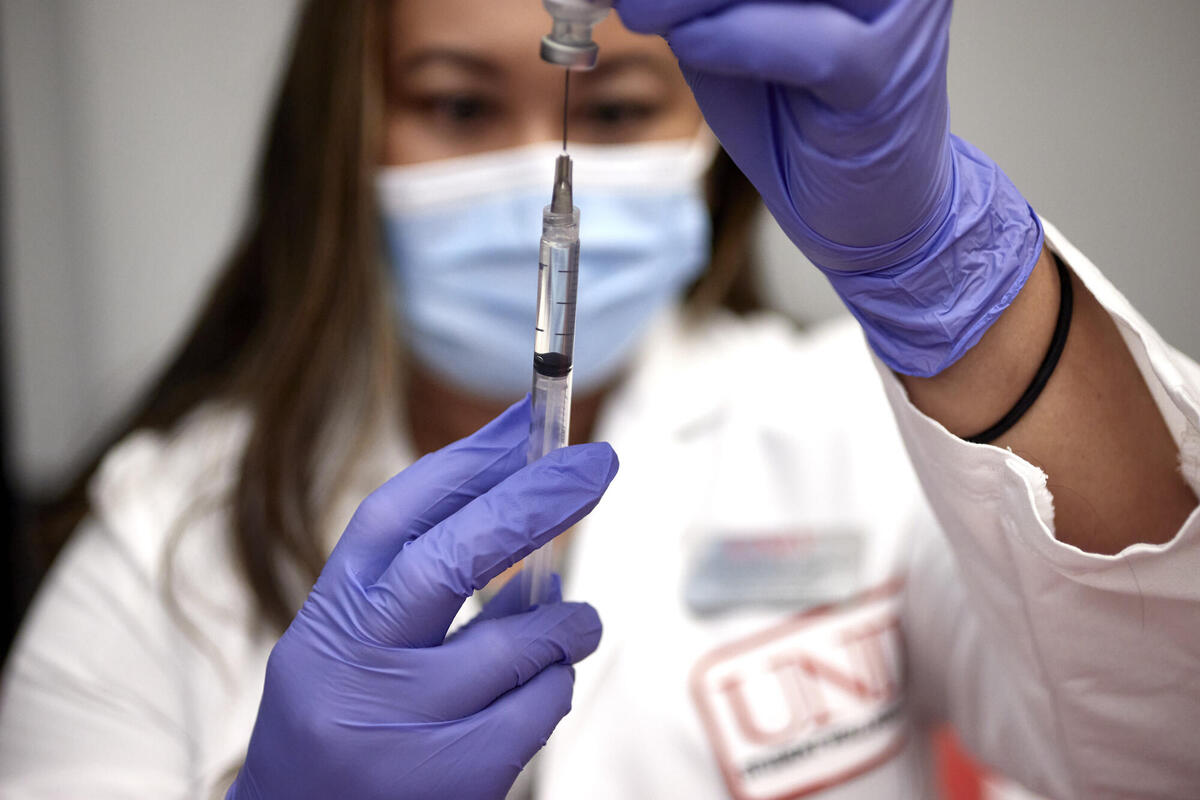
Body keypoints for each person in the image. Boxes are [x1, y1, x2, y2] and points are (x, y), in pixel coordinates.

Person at [1, 0, 1198, 798]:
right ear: (346, 137)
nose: (539, 169)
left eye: (619, 108)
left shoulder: (842, 431)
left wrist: (949, 271)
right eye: (459, 105)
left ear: (710, 138)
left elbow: (1167, 739)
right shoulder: (162, 548)